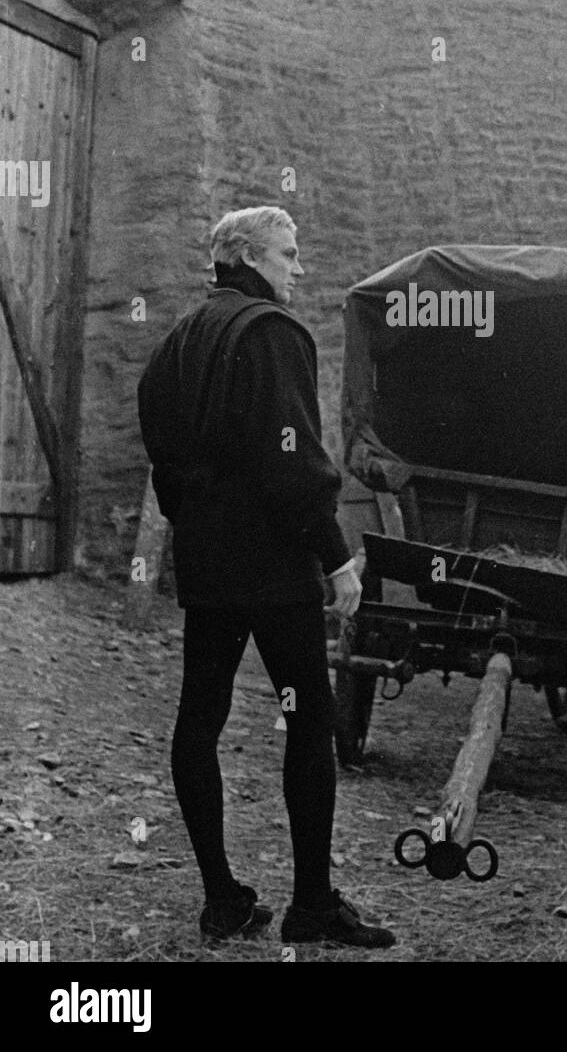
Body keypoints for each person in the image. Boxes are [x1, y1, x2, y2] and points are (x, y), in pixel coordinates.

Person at [137, 205, 394, 949]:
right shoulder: (272, 334)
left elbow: (162, 450)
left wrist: (197, 517)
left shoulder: (180, 338)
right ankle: (311, 904)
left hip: (210, 569)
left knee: (201, 719)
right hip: (277, 567)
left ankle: (222, 900)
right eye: (287, 253)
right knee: (310, 720)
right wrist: (337, 554)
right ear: (247, 256)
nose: (298, 267)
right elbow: (296, 463)